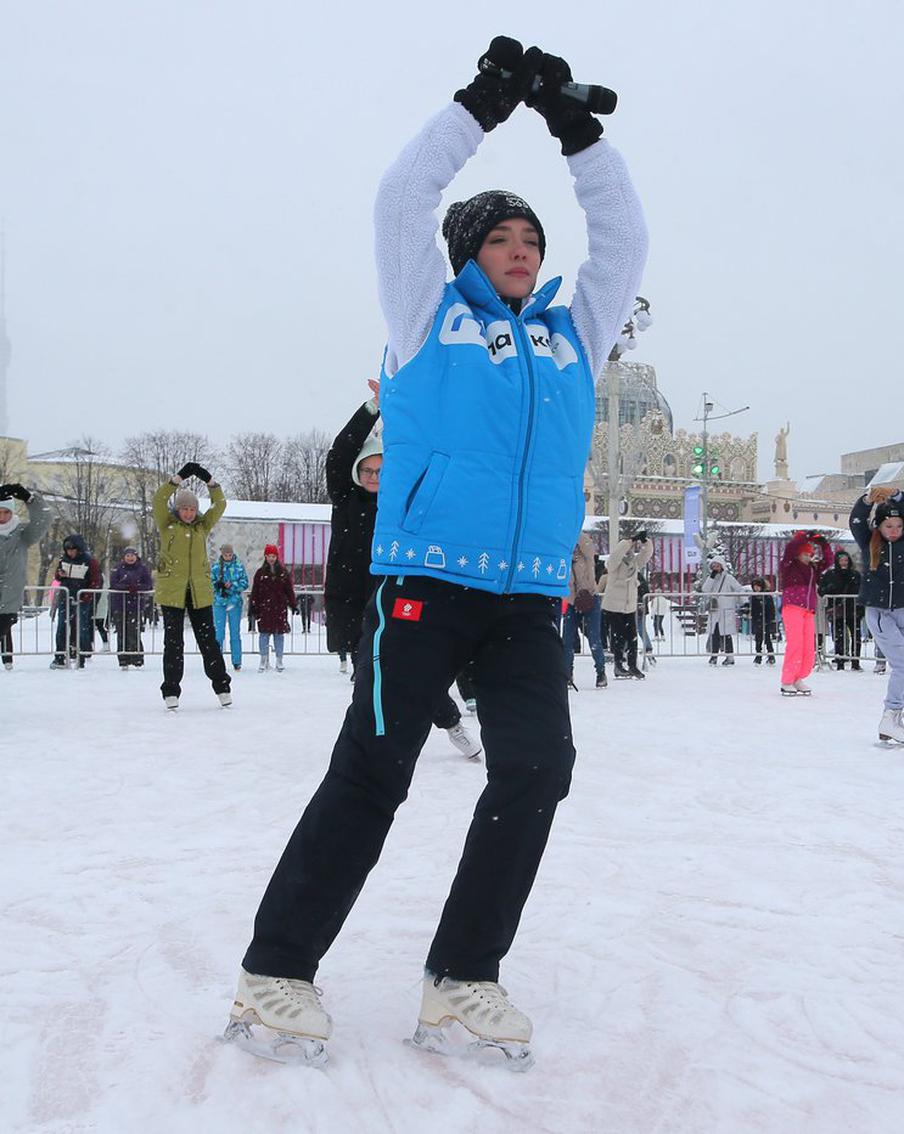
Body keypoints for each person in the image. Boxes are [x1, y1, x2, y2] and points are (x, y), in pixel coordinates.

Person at [226, 37, 647, 1067]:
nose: (522, 250)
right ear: (465, 251)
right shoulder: (428, 318)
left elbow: (624, 238)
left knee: (539, 769)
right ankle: (274, 970)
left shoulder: (571, 340)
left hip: (527, 600)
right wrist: (487, 103)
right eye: (502, 236)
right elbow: (397, 197)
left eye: (532, 240)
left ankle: (463, 975)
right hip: (423, 585)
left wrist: (574, 129)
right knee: (374, 774)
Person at [153, 463, 232, 709]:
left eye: (192, 509)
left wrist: (211, 482)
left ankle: (222, 686)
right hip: (172, 593)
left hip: (199, 592)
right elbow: (159, 499)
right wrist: (178, 478)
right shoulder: (167, 525)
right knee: (174, 642)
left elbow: (220, 505)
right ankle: (171, 691)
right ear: (177, 510)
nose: (188, 513)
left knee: (209, 641)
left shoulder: (202, 526)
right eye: (184, 508)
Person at [323, 395, 382, 676]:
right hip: (349, 596)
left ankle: (448, 716)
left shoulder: (394, 502)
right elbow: (339, 453)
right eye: (367, 470)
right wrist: (372, 408)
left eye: (380, 471)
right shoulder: (345, 497)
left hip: (384, 595)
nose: (373, 477)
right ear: (357, 470)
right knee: (366, 674)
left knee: (396, 668)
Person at [849, 487, 904, 741]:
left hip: (902, 610)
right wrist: (868, 500)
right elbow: (856, 519)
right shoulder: (869, 542)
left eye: (898, 525)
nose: (894, 530)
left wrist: (897, 494)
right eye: (888, 525)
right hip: (881, 614)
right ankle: (891, 715)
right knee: (902, 664)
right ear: (878, 527)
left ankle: (893, 717)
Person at [0, 483, 52, 670]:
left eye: (6, 513)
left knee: (4, 626)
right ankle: (7, 661)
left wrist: (28, 498)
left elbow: (44, 519)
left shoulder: (21, 534)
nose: (3, 517)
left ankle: (7, 660)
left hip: (10, 594)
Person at [778, 530, 833, 695]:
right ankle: (787, 679)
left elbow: (828, 561)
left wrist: (823, 543)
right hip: (793, 607)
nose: (808, 557)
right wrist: (802, 537)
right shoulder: (789, 566)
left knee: (808, 646)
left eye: (810, 554)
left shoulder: (813, 569)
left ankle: (798, 677)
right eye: (804, 554)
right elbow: (790, 548)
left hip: (808, 610)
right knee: (795, 644)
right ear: (797, 554)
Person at [602, 531, 653, 678]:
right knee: (618, 637)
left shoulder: (634, 563)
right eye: (627, 548)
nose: (630, 550)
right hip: (613, 606)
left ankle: (632, 665)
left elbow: (646, 555)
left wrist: (645, 542)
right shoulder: (613, 564)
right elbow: (616, 555)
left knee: (632, 637)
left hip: (629, 606)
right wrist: (629, 541)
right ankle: (618, 665)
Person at [561, 531, 607, 689]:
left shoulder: (587, 558)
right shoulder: (564, 561)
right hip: (572, 602)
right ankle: (567, 673)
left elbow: (588, 545)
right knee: (567, 640)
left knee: (594, 639)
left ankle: (601, 672)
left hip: (590, 598)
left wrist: (574, 528)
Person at [50, 533, 101, 669]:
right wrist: (59, 574)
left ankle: (82, 654)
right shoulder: (63, 559)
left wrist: (87, 595)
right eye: (68, 550)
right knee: (62, 627)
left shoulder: (90, 561)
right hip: (65, 596)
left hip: (82, 598)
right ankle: (60, 656)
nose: (71, 552)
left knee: (81, 627)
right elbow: (57, 576)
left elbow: (95, 580)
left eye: (73, 550)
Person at [249, 545, 297, 672]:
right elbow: (255, 591)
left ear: (277, 557)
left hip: (279, 607)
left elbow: (289, 590)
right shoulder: (260, 573)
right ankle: (263, 659)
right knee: (264, 634)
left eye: (273, 556)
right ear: (265, 557)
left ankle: (279, 659)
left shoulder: (282, 572)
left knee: (279, 635)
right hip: (264, 609)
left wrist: (293, 604)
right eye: (269, 556)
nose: (271, 559)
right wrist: (253, 606)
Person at [817, 549, 862, 670]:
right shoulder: (830, 575)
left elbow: (861, 591)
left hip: (853, 610)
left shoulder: (855, 574)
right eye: (841, 560)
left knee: (856, 636)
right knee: (839, 637)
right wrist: (830, 589)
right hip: (838, 610)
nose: (844, 563)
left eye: (846, 560)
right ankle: (840, 661)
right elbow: (821, 590)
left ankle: (855, 662)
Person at [109, 547, 153, 668]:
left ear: (136, 556)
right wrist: (126, 587)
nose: (130, 558)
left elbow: (148, 584)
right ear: (124, 557)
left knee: (134, 632)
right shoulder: (118, 568)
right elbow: (113, 584)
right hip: (120, 604)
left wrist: (137, 587)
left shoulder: (142, 569)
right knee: (121, 632)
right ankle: (123, 658)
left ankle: (137, 658)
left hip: (136, 605)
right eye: (127, 555)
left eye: (132, 555)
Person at [700, 556, 745, 666]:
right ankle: (714, 656)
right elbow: (705, 589)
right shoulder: (712, 578)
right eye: (714, 566)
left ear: (722, 566)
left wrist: (744, 602)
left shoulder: (728, 578)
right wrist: (711, 578)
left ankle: (730, 657)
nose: (715, 568)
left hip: (726, 610)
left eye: (717, 565)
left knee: (726, 635)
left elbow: (739, 589)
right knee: (714, 634)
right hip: (715, 610)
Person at [212, 543, 249, 671]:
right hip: (219, 602)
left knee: (235, 632)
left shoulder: (239, 566)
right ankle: (217, 660)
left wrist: (232, 586)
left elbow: (245, 583)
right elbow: (210, 583)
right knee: (218, 633)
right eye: (225, 554)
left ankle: (236, 661)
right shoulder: (216, 567)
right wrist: (219, 586)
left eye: (230, 554)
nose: (228, 557)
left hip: (234, 602)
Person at [749, 577, 777, 665]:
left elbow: (771, 609)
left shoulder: (767, 596)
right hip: (757, 620)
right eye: (754, 586)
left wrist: (771, 619)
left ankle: (771, 656)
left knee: (767, 639)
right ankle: (758, 656)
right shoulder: (753, 597)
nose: (756, 588)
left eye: (758, 586)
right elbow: (753, 608)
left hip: (766, 620)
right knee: (758, 639)